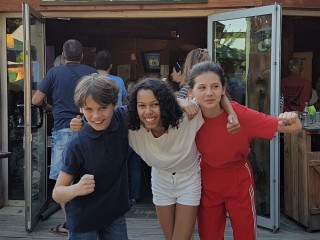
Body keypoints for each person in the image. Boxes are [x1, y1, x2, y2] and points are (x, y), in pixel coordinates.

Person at [187, 61, 302, 240]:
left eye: (215, 86)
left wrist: (291, 117)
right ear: (191, 92)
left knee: (245, 234)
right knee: (208, 235)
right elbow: (166, 104)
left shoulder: (240, 116)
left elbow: (291, 128)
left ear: (223, 89)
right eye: (202, 87)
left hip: (238, 179)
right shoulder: (190, 118)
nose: (209, 93)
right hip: (206, 180)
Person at [52, 73, 130, 239]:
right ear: (80, 108)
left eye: (103, 107)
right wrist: (76, 188)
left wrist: (180, 102)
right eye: (89, 109)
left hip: (115, 214)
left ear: (115, 104)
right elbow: (57, 193)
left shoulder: (122, 118)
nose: (96, 116)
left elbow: (150, 103)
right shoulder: (77, 144)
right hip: (83, 221)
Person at [32, 39, 97, 236]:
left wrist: (48, 107)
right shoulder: (91, 73)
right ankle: (88, 219)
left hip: (63, 131)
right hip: (89, 129)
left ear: (62, 55)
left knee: (64, 181)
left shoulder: (54, 72)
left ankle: (70, 224)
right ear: (82, 56)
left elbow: (36, 100)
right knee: (88, 177)